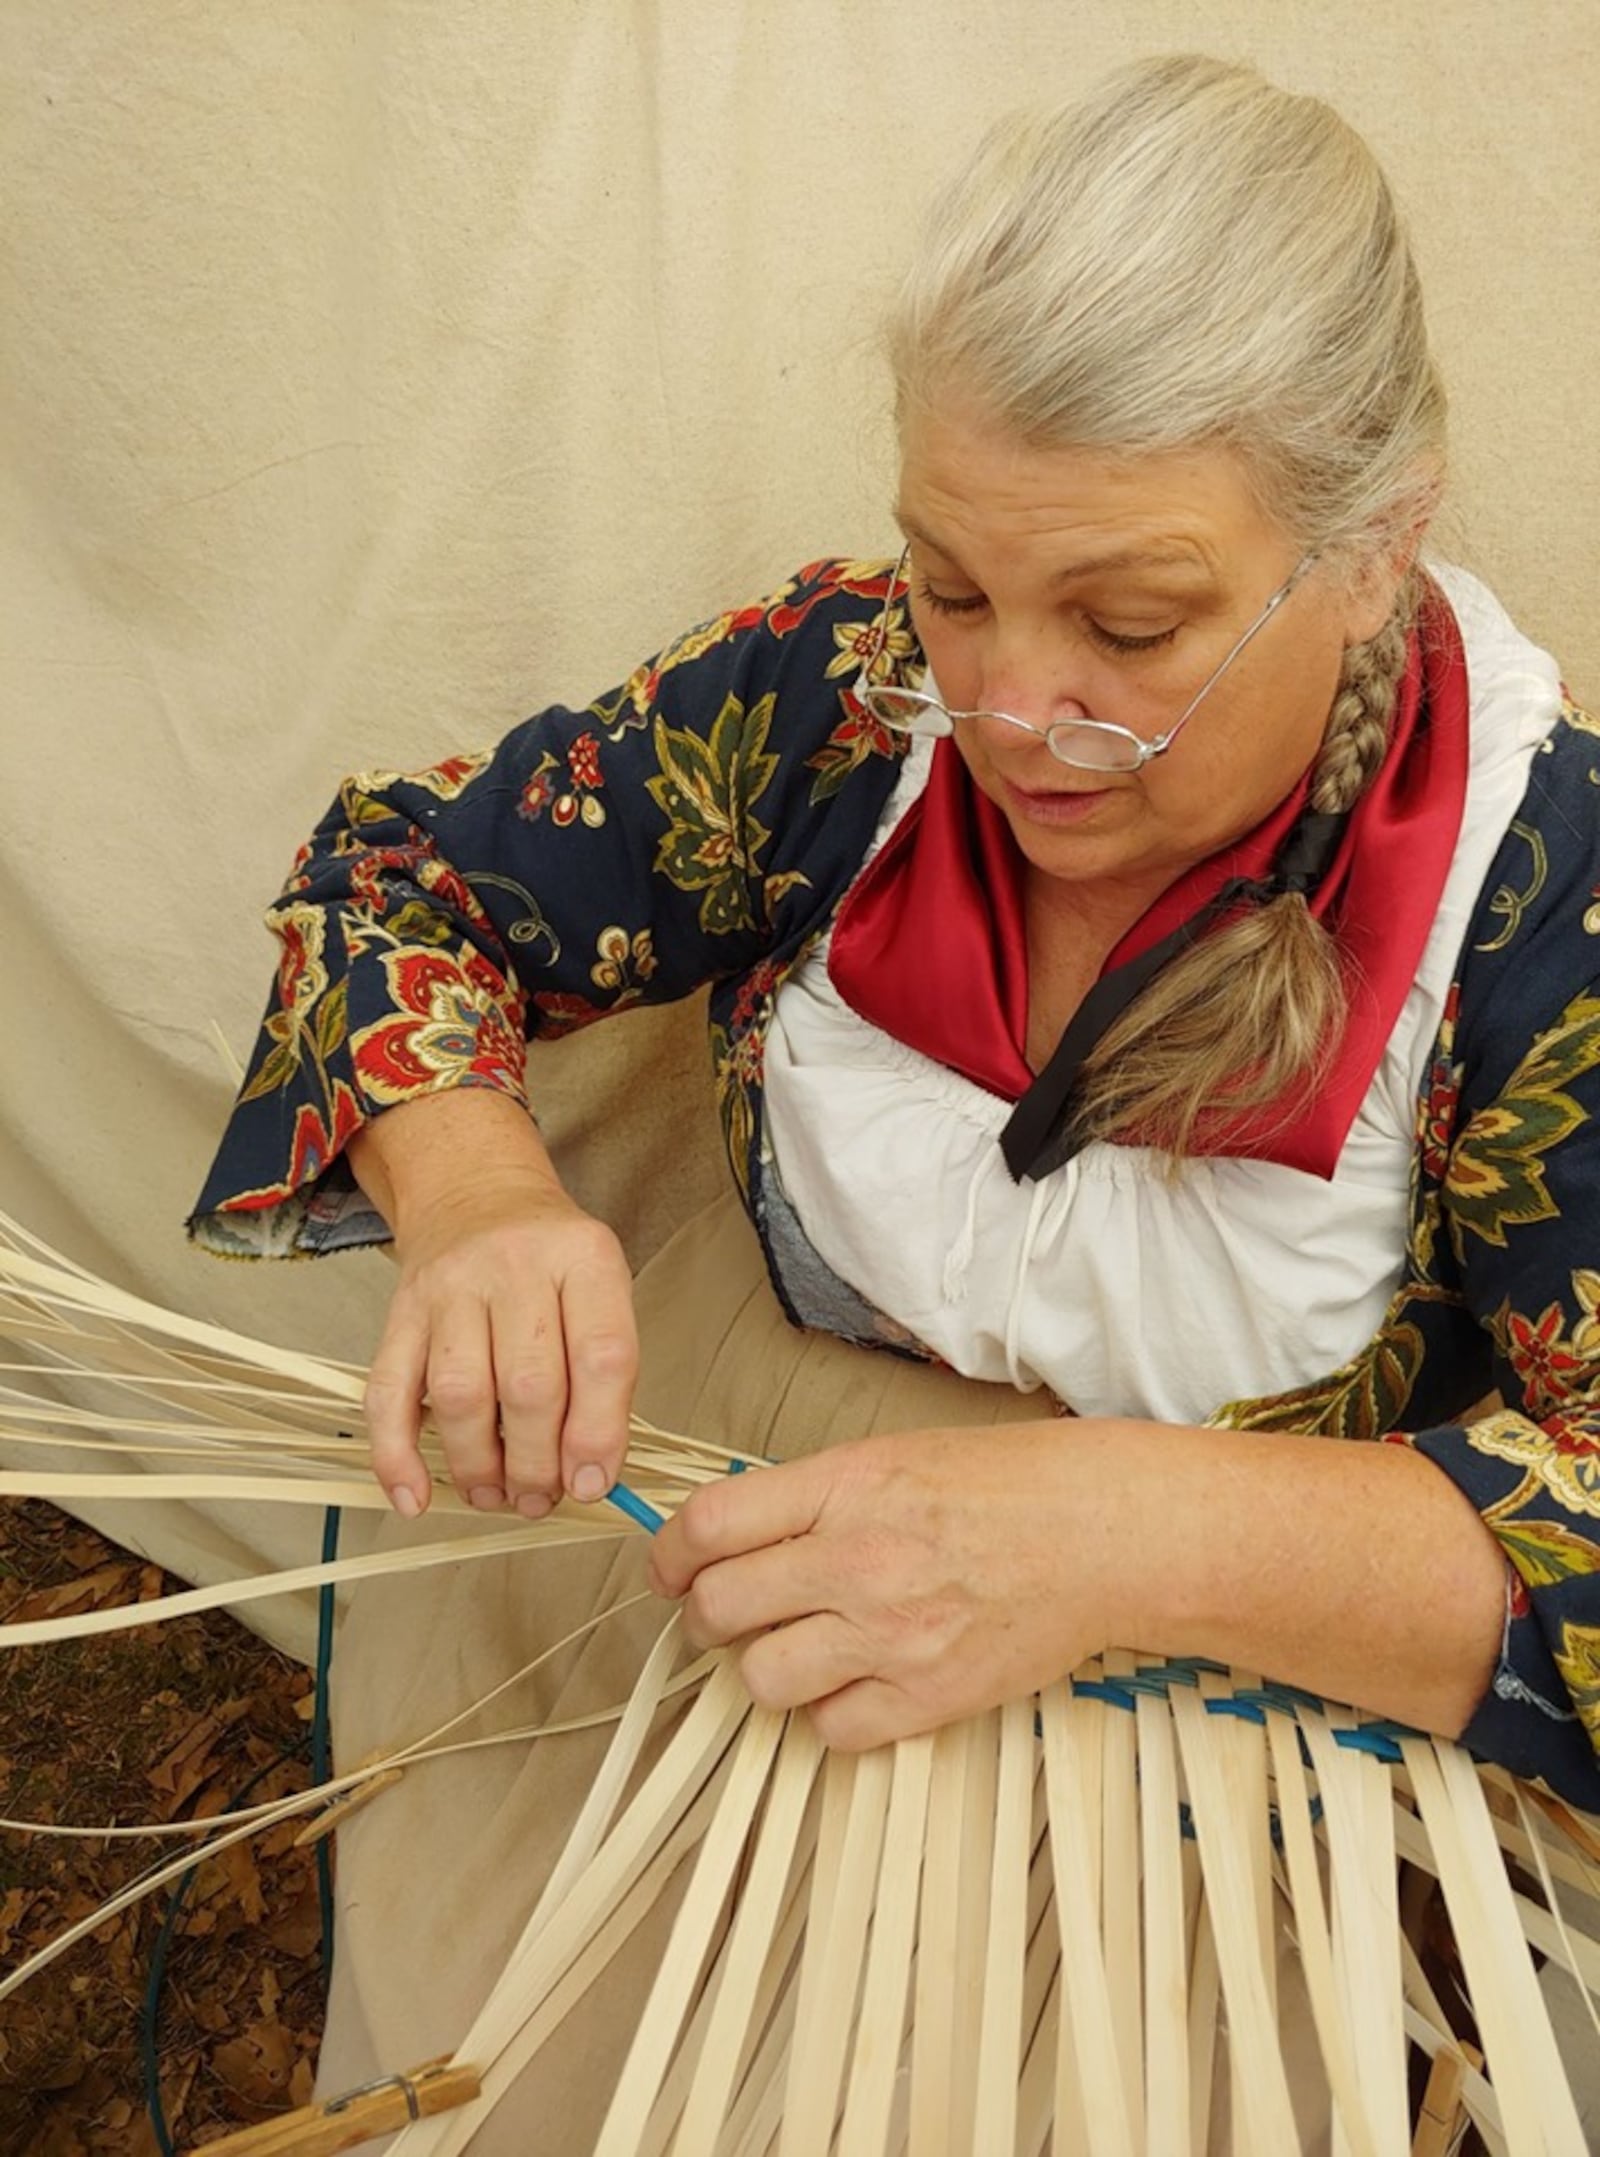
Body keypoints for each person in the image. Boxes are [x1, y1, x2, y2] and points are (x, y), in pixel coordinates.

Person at [191, 52, 1600, 2145]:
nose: (1007, 711)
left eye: (1127, 623)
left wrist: (1122, 1527)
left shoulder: (1528, 899)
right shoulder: (843, 702)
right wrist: (478, 1184)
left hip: (1202, 1684)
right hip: (701, 1526)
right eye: (952, 582)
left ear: (1374, 542)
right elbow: (394, 889)